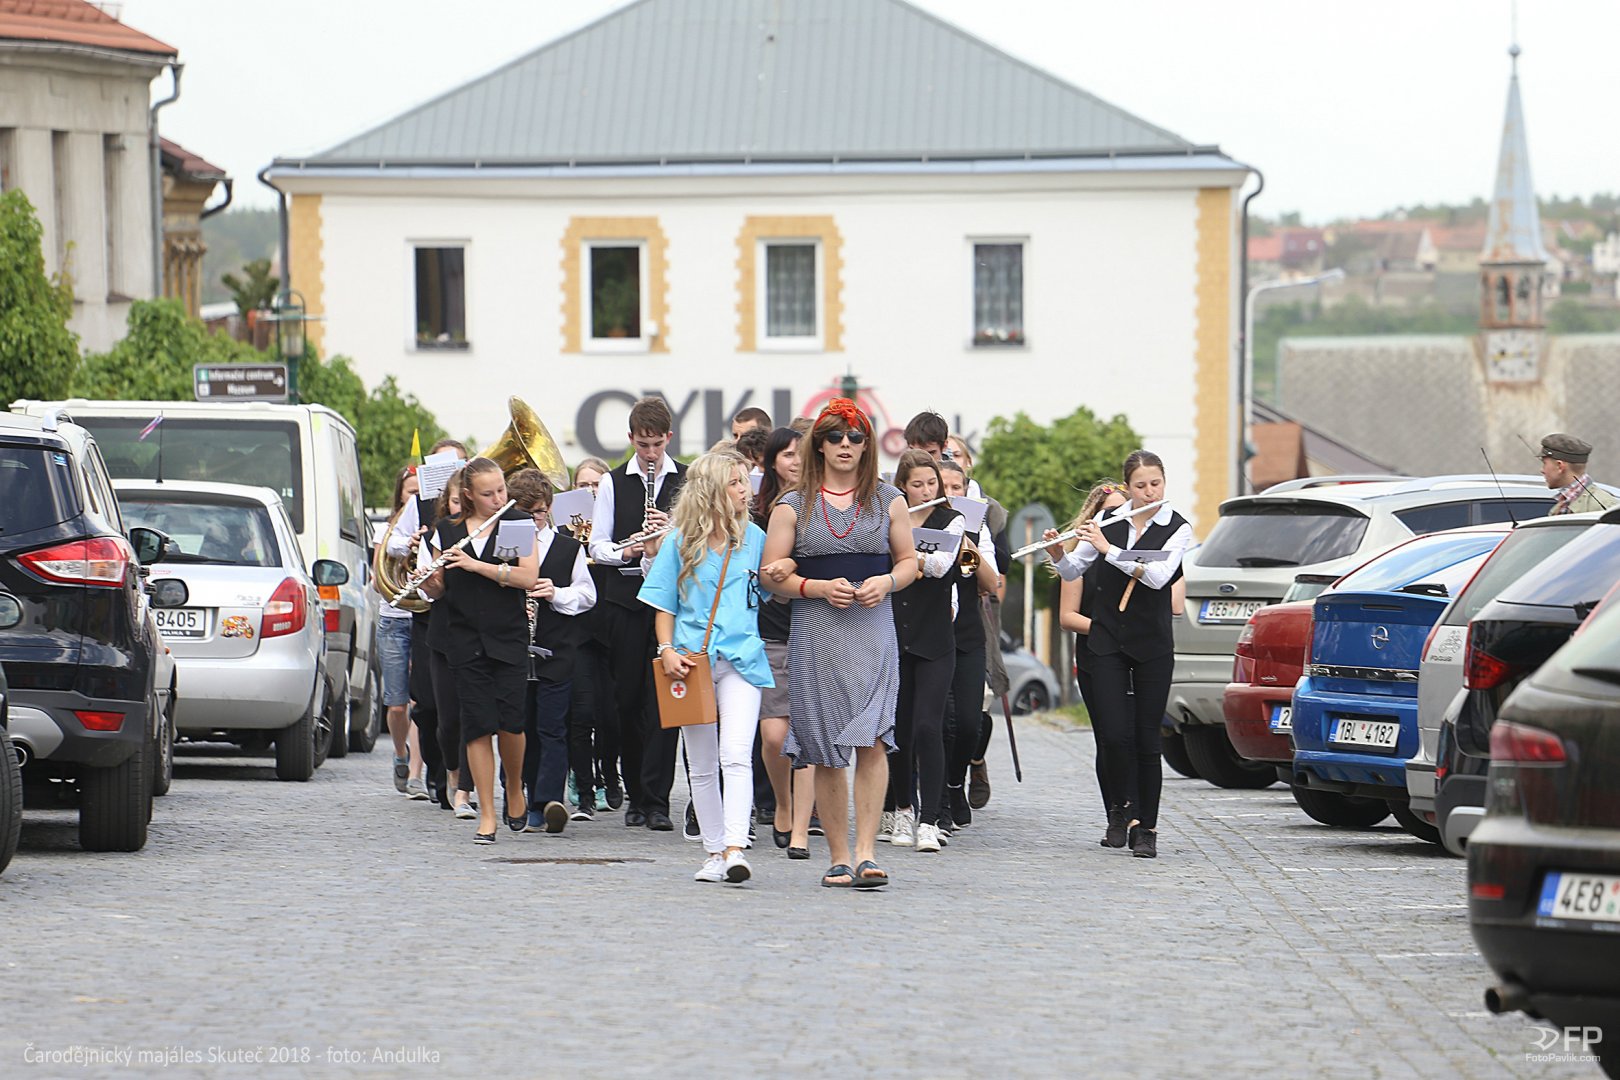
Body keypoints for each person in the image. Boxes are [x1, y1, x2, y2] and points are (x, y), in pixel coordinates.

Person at [761, 398, 919, 888]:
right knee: (825, 745)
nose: (845, 445)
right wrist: (814, 587)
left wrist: (887, 583)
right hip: (816, 630)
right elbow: (770, 576)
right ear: (820, 445)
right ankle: (839, 855)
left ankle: (867, 852)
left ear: (867, 445)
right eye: (834, 437)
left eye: (855, 437)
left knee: (873, 740)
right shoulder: (791, 505)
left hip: (873, 627)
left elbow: (909, 562)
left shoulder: (889, 499)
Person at [1042, 450, 1192, 860]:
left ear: (1164, 483)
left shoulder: (1177, 527)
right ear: (1128, 487)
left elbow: (1158, 577)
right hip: (1108, 640)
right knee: (1113, 734)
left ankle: (1147, 828)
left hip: (1152, 643)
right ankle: (1122, 809)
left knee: (1147, 738)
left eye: (1155, 484)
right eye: (1141, 486)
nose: (1149, 492)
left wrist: (1109, 549)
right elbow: (1073, 570)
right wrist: (1058, 553)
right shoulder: (1110, 520)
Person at [640, 451, 772, 884]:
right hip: (691, 662)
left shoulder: (755, 538)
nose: (745, 490)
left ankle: (735, 847)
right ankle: (714, 850)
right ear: (713, 491)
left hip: (741, 659)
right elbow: (663, 605)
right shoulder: (679, 542)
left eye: (744, 481)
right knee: (700, 763)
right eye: (735, 483)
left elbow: (769, 589)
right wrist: (666, 650)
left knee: (735, 754)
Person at [421, 458, 540, 844]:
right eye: (488, 494)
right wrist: (427, 582)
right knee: (476, 725)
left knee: (511, 723)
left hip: (507, 636)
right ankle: (487, 813)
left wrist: (477, 566)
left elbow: (528, 577)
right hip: (464, 639)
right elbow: (439, 589)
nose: (498, 499)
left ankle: (515, 786)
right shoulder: (448, 530)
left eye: (501, 490)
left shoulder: (517, 522)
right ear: (468, 495)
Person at [588, 398, 688, 830]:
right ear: (631, 439)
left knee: (666, 702)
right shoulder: (613, 482)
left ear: (669, 438)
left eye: (657, 445)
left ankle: (658, 800)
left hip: (671, 604)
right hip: (626, 602)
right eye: (642, 445)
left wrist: (669, 531)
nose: (650, 453)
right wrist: (631, 548)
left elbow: (697, 539)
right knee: (627, 700)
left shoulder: (687, 479)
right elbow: (597, 546)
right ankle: (635, 795)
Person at [508, 468, 596, 835]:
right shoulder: (505, 546)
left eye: (540, 512)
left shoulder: (568, 547)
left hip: (555, 650)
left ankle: (546, 802)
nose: (534, 520)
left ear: (549, 509)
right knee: (519, 727)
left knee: (552, 728)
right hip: (514, 652)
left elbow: (588, 594)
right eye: (525, 513)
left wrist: (556, 593)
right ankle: (521, 795)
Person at [883, 450, 963, 853]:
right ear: (903, 487)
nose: (927, 490)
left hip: (935, 640)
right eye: (918, 484)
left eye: (932, 483)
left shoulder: (952, 520)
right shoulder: (889, 518)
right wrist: (909, 560)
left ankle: (929, 820)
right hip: (895, 636)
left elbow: (941, 566)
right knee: (899, 730)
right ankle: (902, 810)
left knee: (929, 727)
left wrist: (907, 558)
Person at [753, 428, 815, 858]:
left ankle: (800, 831)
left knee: (807, 734)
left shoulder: (823, 507)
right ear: (773, 460)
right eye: (788, 454)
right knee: (775, 735)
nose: (796, 462)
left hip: (816, 627)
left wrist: (792, 562)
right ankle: (783, 803)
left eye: (802, 454)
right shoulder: (758, 513)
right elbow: (759, 569)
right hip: (770, 630)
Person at [1055, 480, 1129, 820]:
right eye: (1107, 514)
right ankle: (1115, 811)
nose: (1115, 520)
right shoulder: (1081, 560)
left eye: (1122, 512)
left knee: (1135, 737)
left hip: (1135, 653)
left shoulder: (1133, 554)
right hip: (1096, 654)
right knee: (1109, 737)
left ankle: (1137, 812)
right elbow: (1067, 617)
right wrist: (1108, 632)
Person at [936, 457, 1000, 833]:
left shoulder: (976, 528)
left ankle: (955, 781)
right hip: (931, 633)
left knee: (970, 723)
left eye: (956, 487)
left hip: (968, 634)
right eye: (942, 486)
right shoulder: (917, 522)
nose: (949, 493)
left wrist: (965, 544)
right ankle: (941, 798)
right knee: (940, 722)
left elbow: (989, 583)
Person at [565, 456, 614, 816]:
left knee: (611, 714)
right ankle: (583, 786)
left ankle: (610, 774)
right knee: (580, 712)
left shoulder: (615, 521)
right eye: (583, 485)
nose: (590, 491)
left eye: (597, 485)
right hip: (577, 631)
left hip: (611, 626)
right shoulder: (564, 530)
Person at [377, 465, 427, 798]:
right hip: (394, 619)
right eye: (411, 492)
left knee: (420, 700)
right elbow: (377, 579)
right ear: (400, 494)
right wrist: (407, 547)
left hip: (423, 616)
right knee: (397, 705)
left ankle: (416, 774)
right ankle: (400, 753)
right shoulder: (386, 530)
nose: (416, 498)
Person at [1539, 434, 1608, 515]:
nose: (1542, 470)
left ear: (1560, 466)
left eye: (1544, 463)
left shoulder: (1602, 507)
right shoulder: (1564, 502)